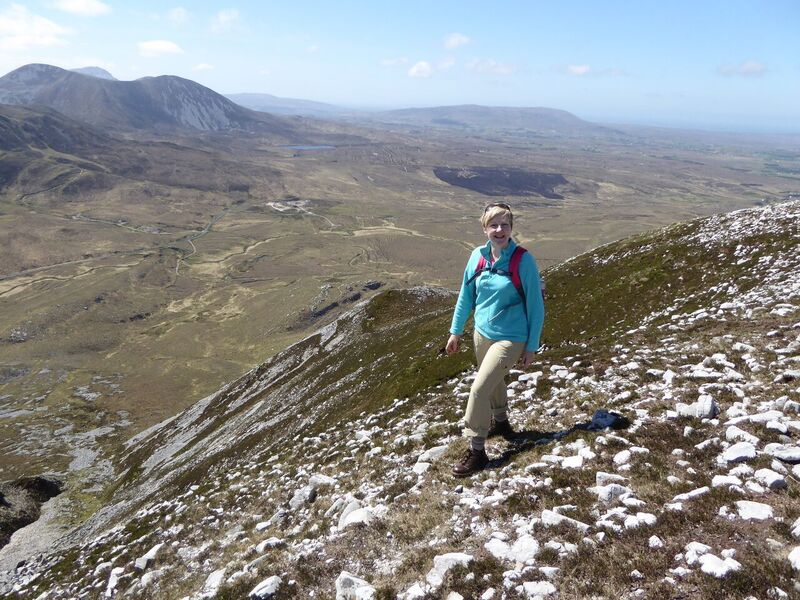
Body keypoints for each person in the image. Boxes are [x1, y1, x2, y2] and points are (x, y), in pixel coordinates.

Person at [446, 202, 545, 476]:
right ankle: (501, 422)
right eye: (494, 225)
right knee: (494, 380)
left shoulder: (523, 260)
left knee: (478, 389)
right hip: (482, 333)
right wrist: (456, 331)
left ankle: (477, 451)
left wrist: (532, 346)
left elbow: (536, 305)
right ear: (484, 228)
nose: (499, 230)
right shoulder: (477, 256)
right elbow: (466, 297)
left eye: (505, 224)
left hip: (511, 338)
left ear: (511, 227)